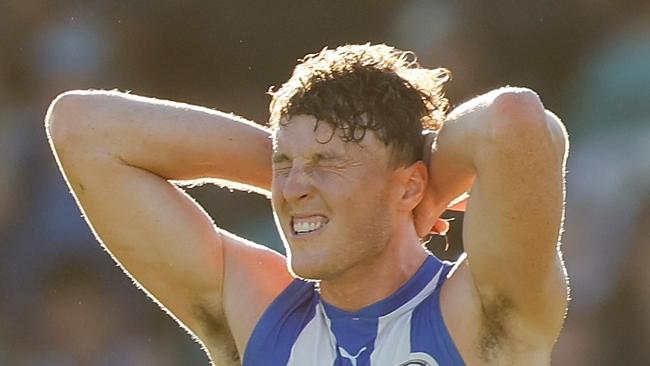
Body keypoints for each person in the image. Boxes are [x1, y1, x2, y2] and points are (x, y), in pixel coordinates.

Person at [45, 44, 569, 365]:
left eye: (328, 161)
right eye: (284, 162)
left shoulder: (479, 312)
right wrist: (311, 181)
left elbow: (516, 121)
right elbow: (79, 127)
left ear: (408, 186)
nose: (293, 186)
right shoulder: (262, 319)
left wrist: (423, 184)